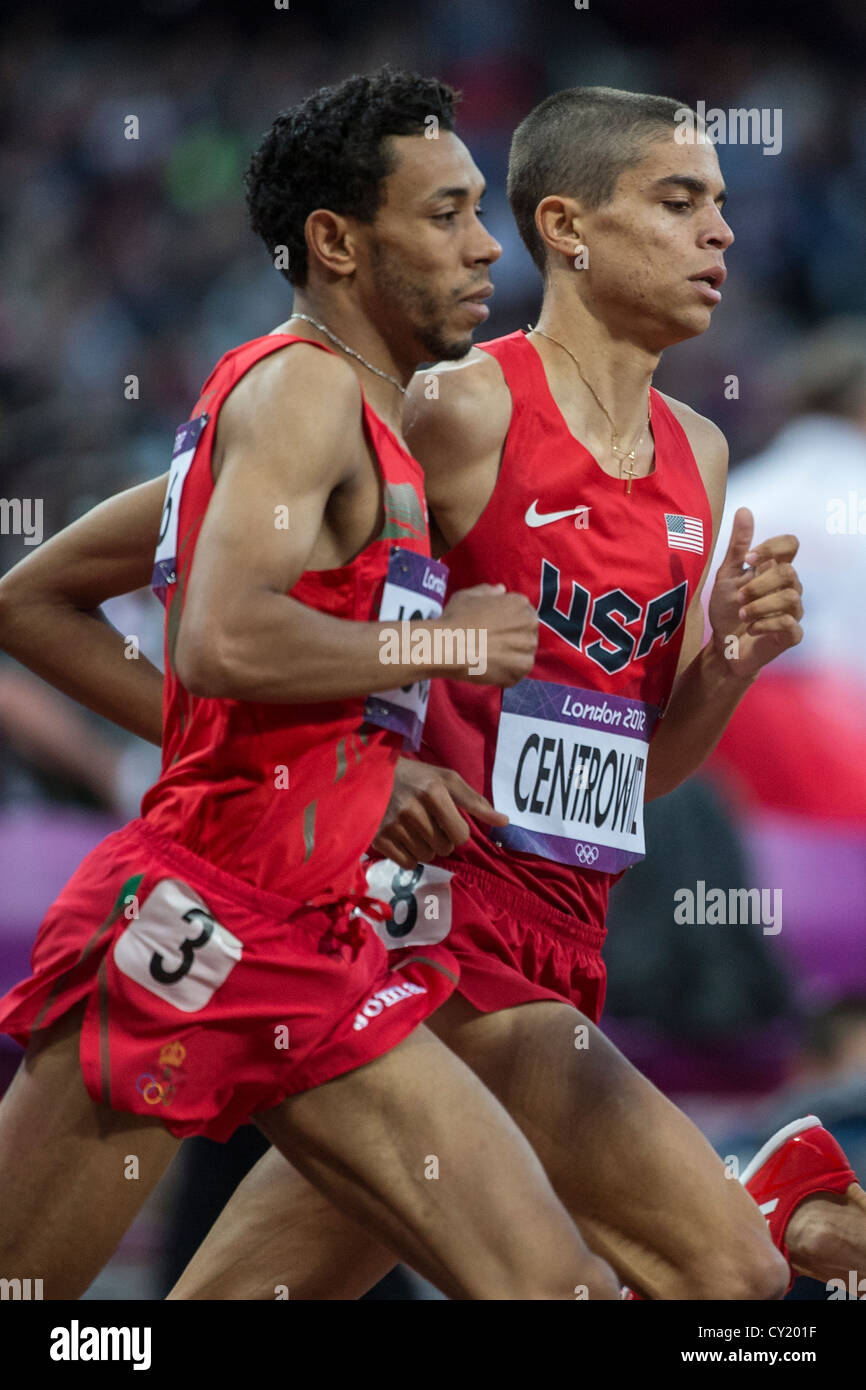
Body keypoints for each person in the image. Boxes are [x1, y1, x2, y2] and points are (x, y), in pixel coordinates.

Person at [4, 83, 863, 1301]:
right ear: (565, 228)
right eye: (679, 202)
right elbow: (184, 600)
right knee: (708, 1275)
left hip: (536, 929)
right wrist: (355, 745)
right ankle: (746, 1196)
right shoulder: (436, 404)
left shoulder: (698, 455)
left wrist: (725, 663)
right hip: (425, 917)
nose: (722, 232)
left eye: (722, 204)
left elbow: (637, 772)